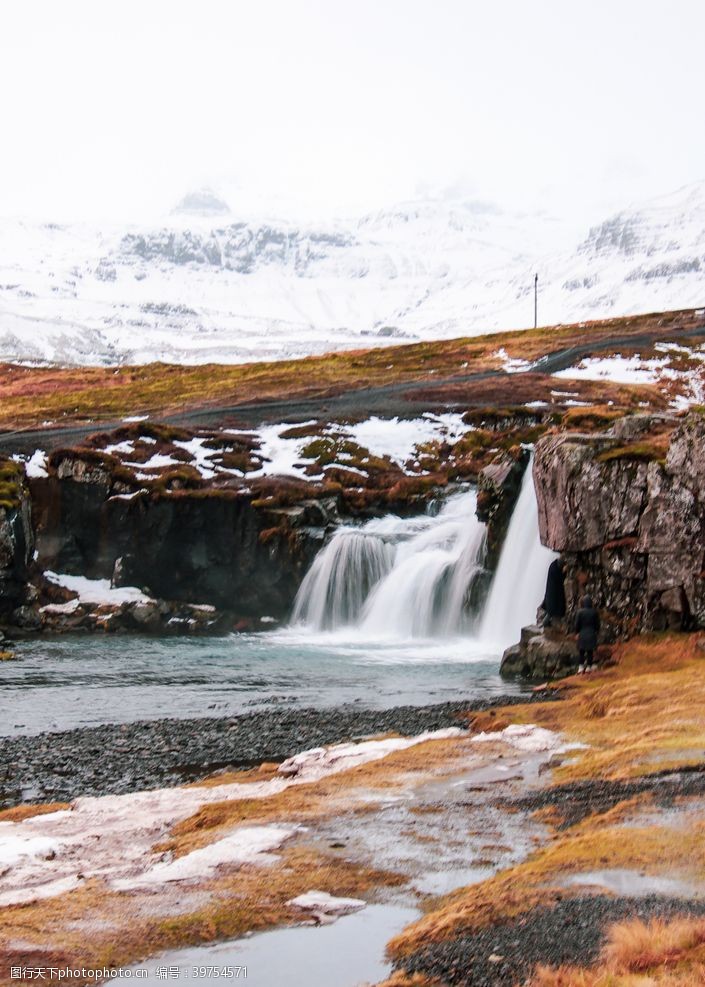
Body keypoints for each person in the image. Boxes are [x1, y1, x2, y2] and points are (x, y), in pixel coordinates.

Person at [575, 595, 600, 672]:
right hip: (592, 633)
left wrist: (577, 633)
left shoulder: (579, 612)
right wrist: (596, 631)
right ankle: (589, 667)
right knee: (590, 652)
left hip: (582, 633)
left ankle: (581, 667)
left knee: (581, 651)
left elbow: (577, 624)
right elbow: (597, 624)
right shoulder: (594, 612)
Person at [540, 558, 566, 627]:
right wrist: (564, 572)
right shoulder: (555, 571)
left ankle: (544, 622)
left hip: (550, 594)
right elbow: (560, 578)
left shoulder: (553, 566)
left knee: (549, 609)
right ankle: (544, 623)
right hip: (553, 596)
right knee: (550, 612)